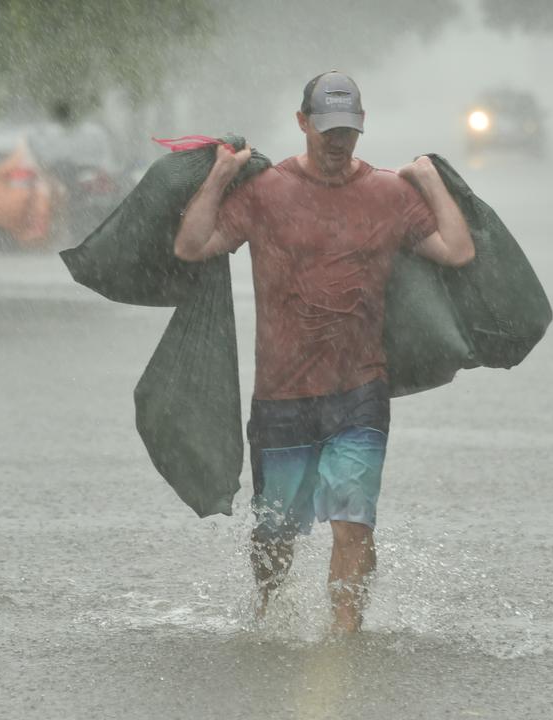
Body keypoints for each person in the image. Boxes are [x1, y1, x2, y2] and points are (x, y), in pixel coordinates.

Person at [173, 71, 474, 633]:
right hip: (281, 394)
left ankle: (345, 630)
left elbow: (456, 250)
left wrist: (429, 180)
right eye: (327, 130)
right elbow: (192, 245)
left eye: (349, 132)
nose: (338, 144)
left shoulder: (390, 194)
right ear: (302, 123)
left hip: (360, 390)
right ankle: (266, 615)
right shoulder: (265, 192)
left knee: (352, 523)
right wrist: (218, 177)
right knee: (275, 537)